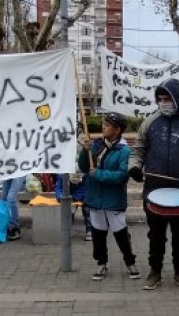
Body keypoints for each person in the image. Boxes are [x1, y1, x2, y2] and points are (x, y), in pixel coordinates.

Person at [128, 78, 179, 291]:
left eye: (168, 98)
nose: (164, 102)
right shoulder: (150, 122)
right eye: (160, 99)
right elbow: (138, 150)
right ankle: (155, 272)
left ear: (177, 98)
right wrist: (135, 167)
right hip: (154, 190)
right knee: (155, 235)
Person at [78, 112, 140, 281]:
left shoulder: (125, 151)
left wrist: (98, 174)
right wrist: (85, 152)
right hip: (95, 196)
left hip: (114, 199)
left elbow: (121, 176)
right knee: (98, 234)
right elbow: (84, 167)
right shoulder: (96, 145)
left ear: (117, 129)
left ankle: (130, 261)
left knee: (120, 233)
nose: (103, 127)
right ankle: (101, 263)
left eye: (107, 125)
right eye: (103, 124)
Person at [54, 171, 92, 241]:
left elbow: (86, 188)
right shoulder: (62, 175)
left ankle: (89, 230)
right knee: (69, 211)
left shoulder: (86, 175)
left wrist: (74, 197)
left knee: (87, 210)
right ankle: (68, 230)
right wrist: (60, 197)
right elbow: (59, 187)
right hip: (69, 191)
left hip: (85, 194)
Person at [3, 175, 26, 241]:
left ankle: (15, 226)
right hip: (8, 172)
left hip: (19, 172)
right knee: (4, 199)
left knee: (11, 198)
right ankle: (6, 224)